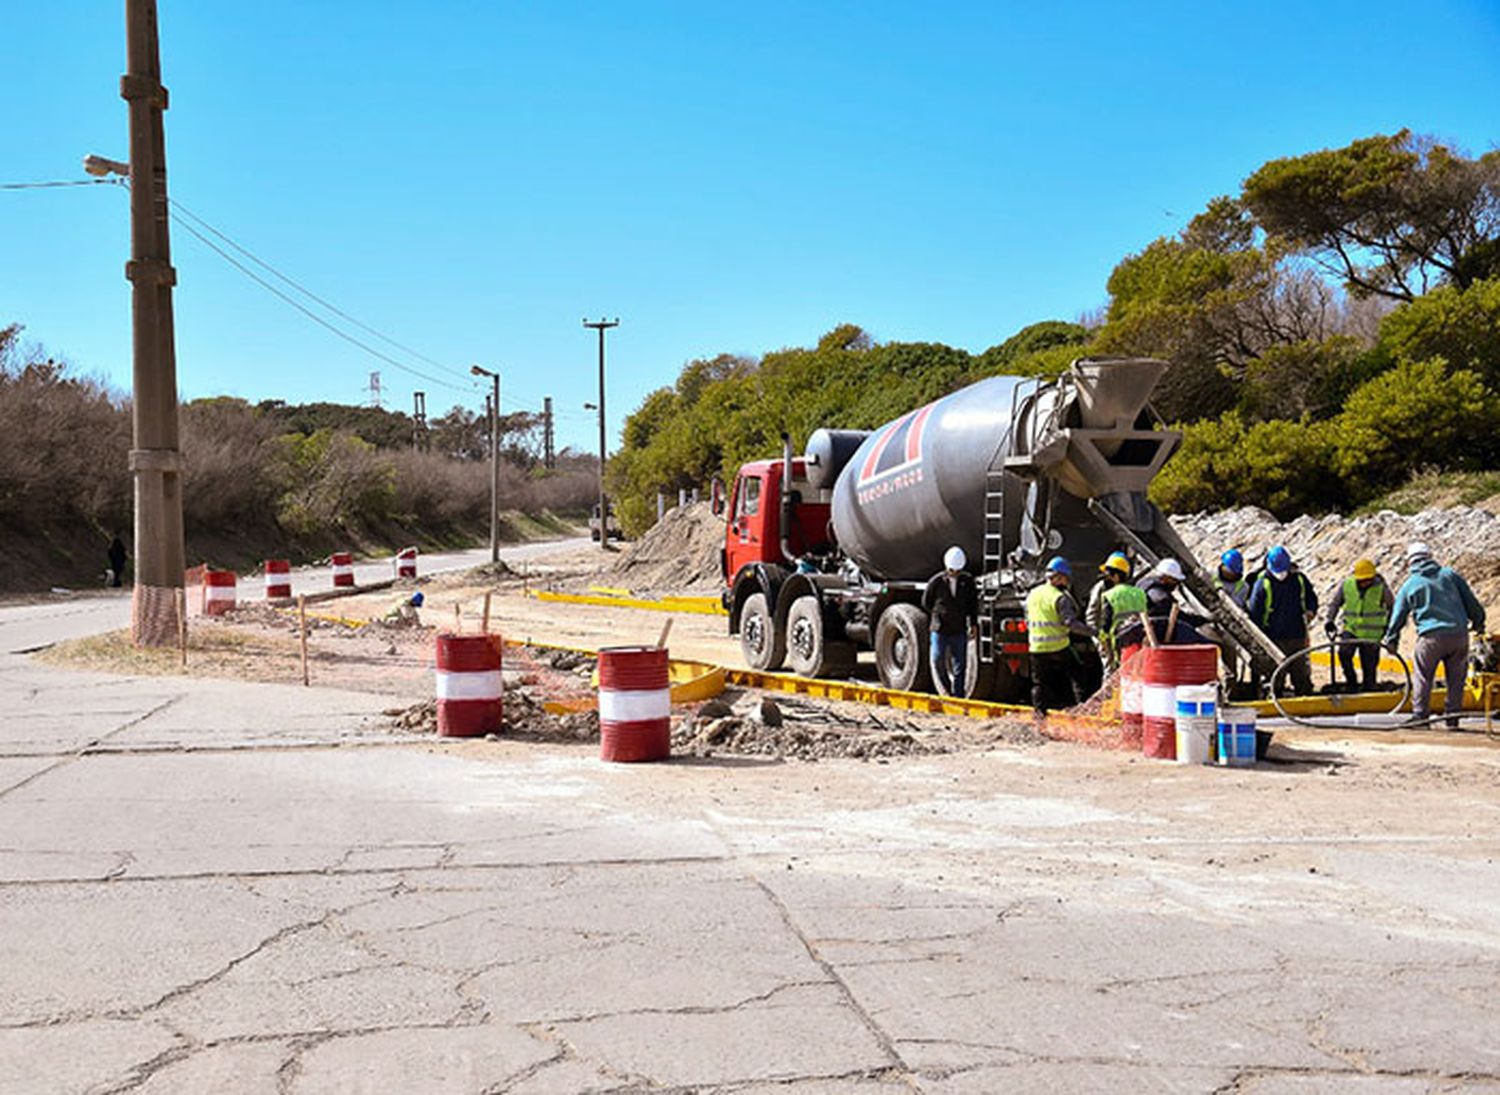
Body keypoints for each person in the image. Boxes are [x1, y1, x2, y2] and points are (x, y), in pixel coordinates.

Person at [1382, 542, 1485, 729]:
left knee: (1423, 676)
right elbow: (1471, 603)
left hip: (1431, 638)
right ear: (1430, 557)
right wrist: (1479, 622)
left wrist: (1391, 640)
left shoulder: (1410, 585)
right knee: (1456, 679)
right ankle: (1452, 719)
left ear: (1410, 562)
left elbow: (1398, 616)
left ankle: (1421, 717)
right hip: (1459, 636)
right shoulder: (1450, 575)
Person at [1026, 556, 1096, 716]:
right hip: (1059, 646)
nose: (1067, 582)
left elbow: (1028, 617)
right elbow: (1070, 623)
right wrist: (1093, 631)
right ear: (1057, 577)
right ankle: (1082, 708)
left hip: (1036, 647)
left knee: (1039, 684)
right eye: (1065, 578)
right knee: (1077, 674)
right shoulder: (1059, 598)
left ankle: (1039, 714)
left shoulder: (1033, 594)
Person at [1247, 544, 1319, 696]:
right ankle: (1275, 695)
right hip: (1273, 636)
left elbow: (1311, 598)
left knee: (1300, 672)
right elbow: (1255, 611)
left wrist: (1311, 611)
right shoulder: (1263, 583)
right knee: (1275, 674)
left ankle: (1303, 696)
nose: (1281, 574)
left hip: (1297, 634)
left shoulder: (1298, 579)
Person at [1323, 558, 1394, 691]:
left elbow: (1392, 607)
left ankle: (1369, 688)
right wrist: (1329, 620)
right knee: (1344, 653)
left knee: (1369, 666)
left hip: (1372, 635)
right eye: (1363, 580)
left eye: (1368, 579)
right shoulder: (1347, 585)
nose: (1365, 582)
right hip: (1351, 629)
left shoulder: (1381, 588)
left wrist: (1388, 627)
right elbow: (1335, 603)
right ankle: (1351, 683)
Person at [922, 545, 978, 695]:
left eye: (958, 571)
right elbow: (926, 602)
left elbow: (973, 604)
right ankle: (946, 690)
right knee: (937, 658)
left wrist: (973, 624)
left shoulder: (967, 582)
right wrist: (938, 614)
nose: (955, 574)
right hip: (940, 629)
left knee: (960, 664)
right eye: (953, 571)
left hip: (958, 628)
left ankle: (958, 694)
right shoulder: (937, 582)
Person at [1091, 552, 1146, 673]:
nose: (1106, 577)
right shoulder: (1139, 593)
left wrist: (1101, 642)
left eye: (1108, 574)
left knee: (1114, 675)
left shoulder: (1109, 595)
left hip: (1117, 643)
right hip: (1138, 640)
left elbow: (1106, 623)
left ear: (1116, 576)